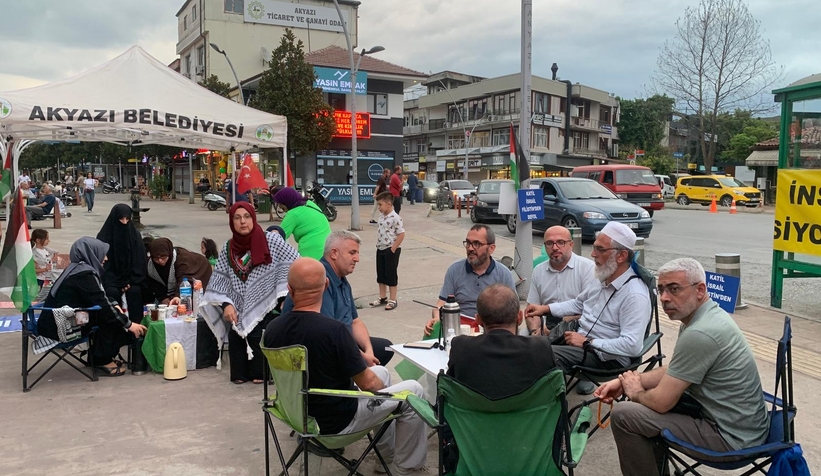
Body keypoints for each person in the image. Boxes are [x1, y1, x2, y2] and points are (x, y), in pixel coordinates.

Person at [598, 258, 769, 476]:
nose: (664, 298)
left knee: (625, 414)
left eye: (674, 289)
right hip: (743, 425)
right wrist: (630, 381)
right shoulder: (704, 316)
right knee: (645, 405)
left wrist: (635, 391)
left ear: (700, 290)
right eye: (660, 290)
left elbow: (661, 402)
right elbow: (677, 369)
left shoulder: (700, 333)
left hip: (731, 438)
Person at [265, 258, 428, 476]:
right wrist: (379, 390)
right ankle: (407, 470)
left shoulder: (273, 330)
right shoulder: (334, 331)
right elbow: (368, 383)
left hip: (297, 414)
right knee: (413, 391)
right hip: (337, 425)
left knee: (380, 372)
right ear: (325, 285)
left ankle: (386, 459)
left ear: (289, 289)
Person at [531, 221, 651, 395]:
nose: (593, 254)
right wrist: (545, 309)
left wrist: (588, 343)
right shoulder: (602, 276)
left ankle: (552, 414)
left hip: (606, 358)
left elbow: (632, 346)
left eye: (600, 250)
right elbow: (578, 303)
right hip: (580, 341)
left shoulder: (634, 294)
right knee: (529, 347)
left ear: (621, 255)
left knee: (542, 356)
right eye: (594, 248)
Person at [201, 202, 299, 384]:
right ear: (232, 222)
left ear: (253, 218)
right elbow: (220, 281)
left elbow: (295, 262)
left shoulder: (271, 240)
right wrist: (226, 304)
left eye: (246, 217)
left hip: (268, 305)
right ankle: (241, 372)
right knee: (236, 335)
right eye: (237, 218)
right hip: (236, 309)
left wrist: (284, 295)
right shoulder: (229, 247)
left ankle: (261, 372)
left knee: (259, 335)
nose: (243, 222)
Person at [282, 231, 394, 366]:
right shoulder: (319, 281)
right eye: (352, 253)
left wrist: (368, 351)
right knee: (374, 368)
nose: (357, 258)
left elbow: (355, 321)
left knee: (386, 348)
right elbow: (328, 334)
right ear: (334, 253)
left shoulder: (341, 279)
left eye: (357, 253)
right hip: (324, 348)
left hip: (341, 341)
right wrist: (361, 357)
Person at [39, 237, 146, 377]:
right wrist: (129, 324)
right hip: (59, 328)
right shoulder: (83, 275)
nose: (106, 258)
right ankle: (102, 360)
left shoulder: (76, 269)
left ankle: (96, 356)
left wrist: (114, 306)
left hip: (55, 321)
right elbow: (101, 304)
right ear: (91, 253)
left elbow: (100, 297)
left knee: (111, 314)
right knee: (110, 319)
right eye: (102, 253)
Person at [448, 284, 557, 399]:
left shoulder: (460, 347)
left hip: (472, 415)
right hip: (531, 416)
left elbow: (450, 392)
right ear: (519, 317)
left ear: (478, 320)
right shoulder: (541, 348)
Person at [424, 224, 516, 336]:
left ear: (491, 248)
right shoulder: (455, 270)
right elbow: (440, 305)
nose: (470, 248)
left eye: (476, 244)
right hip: (460, 330)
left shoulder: (503, 274)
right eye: (468, 243)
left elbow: (513, 313)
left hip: (491, 331)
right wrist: (437, 318)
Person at [524, 226, 597, 331]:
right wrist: (536, 330)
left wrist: (562, 328)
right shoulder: (538, 271)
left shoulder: (587, 268)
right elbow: (532, 309)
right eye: (549, 243)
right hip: (546, 324)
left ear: (571, 244)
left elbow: (591, 311)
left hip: (577, 325)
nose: (555, 247)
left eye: (560, 242)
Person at [96, 204, 147, 327]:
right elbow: (103, 264)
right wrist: (117, 282)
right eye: (121, 219)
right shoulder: (103, 237)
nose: (124, 223)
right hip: (112, 280)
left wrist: (130, 281)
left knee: (135, 292)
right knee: (111, 293)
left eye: (127, 219)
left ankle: (137, 332)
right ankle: (116, 332)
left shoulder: (135, 236)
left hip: (131, 280)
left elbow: (140, 262)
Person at [144, 238, 213, 305]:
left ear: (169, 253)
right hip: (181, 279)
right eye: (156, 258)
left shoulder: (181, 259)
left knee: (194, 299)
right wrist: (163, 297)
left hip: (200, 269)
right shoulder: (151, 265)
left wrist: (177, 296)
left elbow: (184, 279)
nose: (160, 261)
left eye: (163, 257)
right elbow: (154, 282)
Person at [272, 187, 331, 260]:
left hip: (312, 252)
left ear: (287, 201)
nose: (279, 206)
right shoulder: (310, 204)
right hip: (329, 248)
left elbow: (277, 237)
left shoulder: (293, 214)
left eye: (280, 203)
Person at [370, 191, 404, 311]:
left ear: (389, 204)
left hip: (390, 249)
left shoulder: (395, 217)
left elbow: (401, 234)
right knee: (381, 273)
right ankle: (382, 296)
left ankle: (393, 299)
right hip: (380, 248)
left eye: (380, 205)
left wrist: (393, 249)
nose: (378, 207)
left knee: (391, 274)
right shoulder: (381, 216)